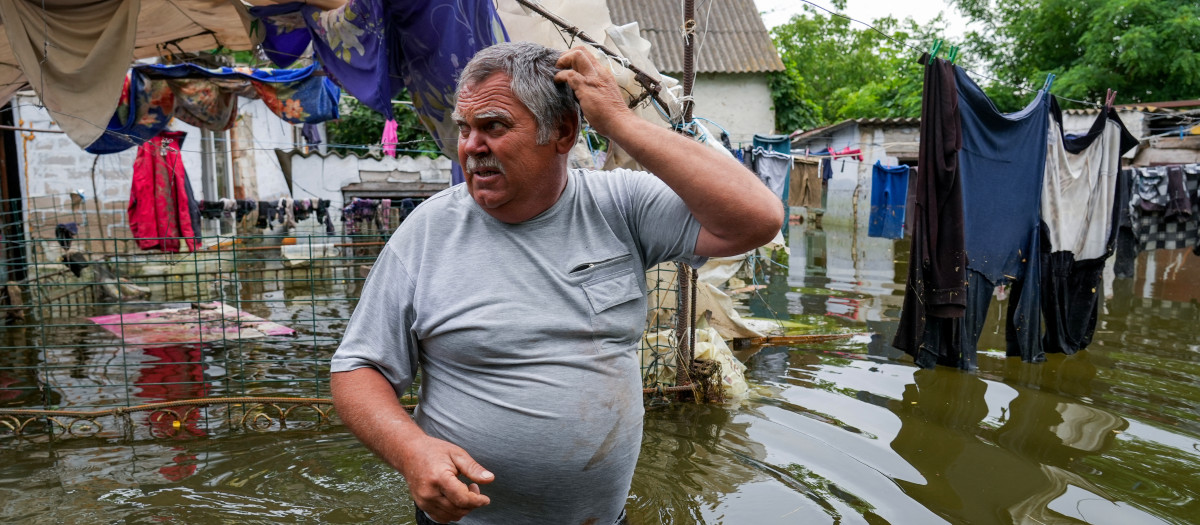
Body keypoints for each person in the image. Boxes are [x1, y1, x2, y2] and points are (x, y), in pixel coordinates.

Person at [330, 41, 783, 524]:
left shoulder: (620, 206)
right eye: (465, 128)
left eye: (494, 126)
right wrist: (412, 452)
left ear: (563, 132)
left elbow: (756, 220)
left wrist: (619, 121)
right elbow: (357, 369)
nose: (471, 146)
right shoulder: (428, 231)